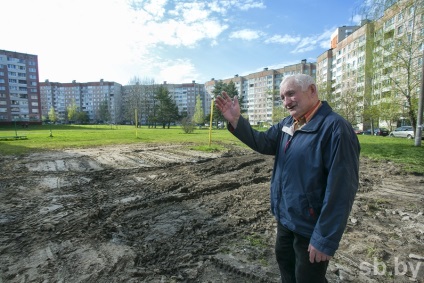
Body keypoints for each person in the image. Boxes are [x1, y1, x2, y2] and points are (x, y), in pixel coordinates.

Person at [215, 74, 360, 283]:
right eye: (282, 97)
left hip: (310, 228)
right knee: (287, 272)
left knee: (308, 279)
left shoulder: (336, 129)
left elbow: (342, 190)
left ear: (312, 90)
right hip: (286, 219)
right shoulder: (288, 124)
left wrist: (324, 238)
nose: (286, 102)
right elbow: (263, 142)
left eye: (291, 94)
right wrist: (237, 120)